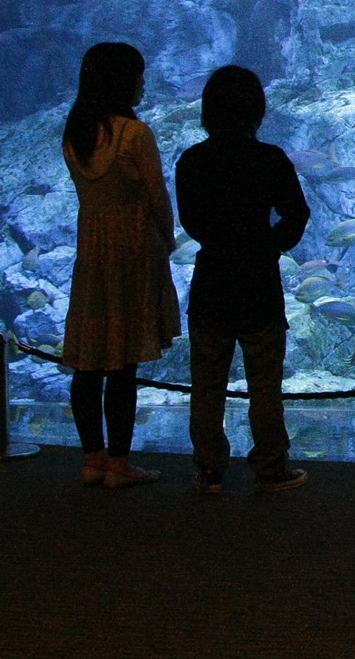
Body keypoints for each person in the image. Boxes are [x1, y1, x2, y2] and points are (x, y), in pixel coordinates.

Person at [175, 64, 312, 493]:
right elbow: (297, 213)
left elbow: (192, 222)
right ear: (256, 109)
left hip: (212, 279)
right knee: (265, 384)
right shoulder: (268, 158)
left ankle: (209, 469)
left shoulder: (192, 161)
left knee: (207, 384)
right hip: (258, 282)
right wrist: (269, 244)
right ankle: (271, 466)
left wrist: (221, 241)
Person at [60, 41, 180, 489]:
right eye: (138, 76)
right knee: (123, 364)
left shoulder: (75, 134)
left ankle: (91, 459)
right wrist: (166, 241)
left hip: (92, 252)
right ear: (121, 81)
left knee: (89, 361)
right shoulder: (135, 134)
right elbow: (156, 196)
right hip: (131, 251)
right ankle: (119, 464)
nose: (142, 84)